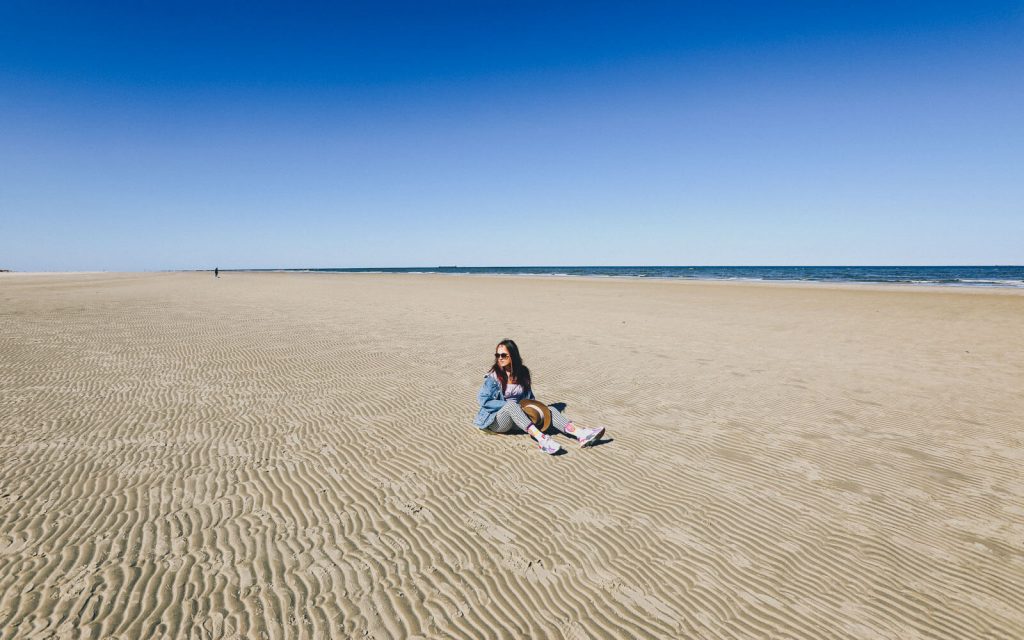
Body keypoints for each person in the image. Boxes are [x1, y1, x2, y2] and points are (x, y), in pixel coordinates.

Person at [473, 339, 605, 454]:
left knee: (550, 410)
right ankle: (542, 440)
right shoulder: (493, 377)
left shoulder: (523, 373)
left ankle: (581, 434)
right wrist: (512, 406)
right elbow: (484, 400)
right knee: (511, 406)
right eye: (497, 355)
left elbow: (530, 399)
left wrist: (537, 412)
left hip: (518, 417)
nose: (499, 358)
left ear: (513, 356)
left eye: (503, 355)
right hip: (496, 421)